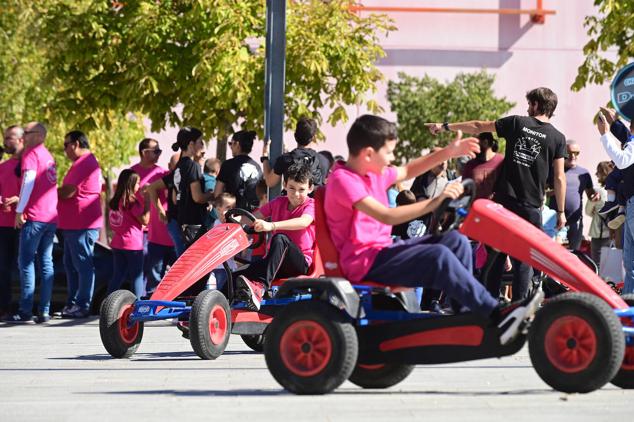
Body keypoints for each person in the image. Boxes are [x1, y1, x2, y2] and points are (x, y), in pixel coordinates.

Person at [326, 114, 542, 345]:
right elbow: (386, 215)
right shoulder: (343, 180)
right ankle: (494, 313)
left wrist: (449, 152)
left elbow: (409, 170)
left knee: (455, 241)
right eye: (388, 153)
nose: (392, 159)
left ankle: (465, 315)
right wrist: (436, 202)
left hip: (382, 251)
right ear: (368, 154)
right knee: (438, 257)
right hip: (363, 263)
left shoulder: (371, 172)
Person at [427, 87, 567, 301]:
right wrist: (561, 211)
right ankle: (521, 310)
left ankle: (488, 305)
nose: (528, 108)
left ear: (537, 104)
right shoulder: (558, 138)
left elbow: (477, 126)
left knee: (496, 253)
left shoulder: (517, 123)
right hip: (531, 206)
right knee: (524, 260)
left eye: (530, 104)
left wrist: (444, 126)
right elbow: (559, 177)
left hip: (504, 203)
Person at [233, 163, 316, 311]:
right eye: (292, 188)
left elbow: (304, 222)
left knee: (280, 239)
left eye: (301, 189)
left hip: (298, 264)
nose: (296, 194)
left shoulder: (311, 205)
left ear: (310, 188)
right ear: (284, 185)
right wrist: (233, 221)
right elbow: (252, 218)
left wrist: (272, 225)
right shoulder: (278, 202)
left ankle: (260, 288)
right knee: (236, 276)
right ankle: (211, 309)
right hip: (274, 263)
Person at [5, 122, 58, 324]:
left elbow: (28, 181)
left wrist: (19, 211)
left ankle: (25, 311)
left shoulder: (32, 154)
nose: (23, 137)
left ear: (38, 135)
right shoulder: (48, 156)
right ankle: (44, 310)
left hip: (35, 217)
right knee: (46, 263)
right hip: (51, 218)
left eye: (26, 133)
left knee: (25, 263)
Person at [57, 131, 103, 318]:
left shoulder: (84, 163)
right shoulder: (80, 164)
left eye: (65, 145)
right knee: (71, 264)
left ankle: (82, 305)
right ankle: (73, 303)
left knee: (83, 265)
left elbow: (69, 191)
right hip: (73, 224)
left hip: (81, 223)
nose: (64, 150)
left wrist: (48, 191)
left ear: (75, 144)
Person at [149, 127, 213, 249]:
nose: (202, 146)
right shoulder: (192, 166)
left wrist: (160, 211)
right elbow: (198, 197)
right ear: (191, 144)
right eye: (200, 142)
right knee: (194, 266)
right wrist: (213, 194)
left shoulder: (179, 166)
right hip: (192, 227)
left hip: (179, 224)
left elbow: (153, 188)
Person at [130, 138, 175, 296]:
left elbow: (172, 195)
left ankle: (159, 299)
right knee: (141, 268)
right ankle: (141, 300)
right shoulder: (132, 172)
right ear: (144, 152)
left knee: (157, 268)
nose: (159, 154)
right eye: (155, 151)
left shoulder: (162, 173)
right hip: (137, 227)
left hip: (159, 229)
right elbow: (126, 198)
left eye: (159, 151)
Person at [597, 109, 634, 294]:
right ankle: (629, 305)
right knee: (630, 263)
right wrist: (613, 119)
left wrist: (604, 135)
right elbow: (621, 131)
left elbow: (621, 160)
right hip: (629, 204)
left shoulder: (633, 144)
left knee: (631, 263)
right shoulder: (630, 141)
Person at [107, 169, 150, 297]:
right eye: (137, 183)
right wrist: (147, 202)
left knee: (117, 276)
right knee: (137, 276)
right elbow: (145, 220)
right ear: (130, 184)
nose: (139, 186)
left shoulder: (115, 201)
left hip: (118, 243)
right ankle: (138, 305)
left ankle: (107, 303)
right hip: (133, 245)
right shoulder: (131, 202)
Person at [548, 140, 597, 251]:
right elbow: (541, 192)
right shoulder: (553, 170)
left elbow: (590, 194)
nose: (573, 156)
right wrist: (552, 192)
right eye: (569, 152)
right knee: (552, 252)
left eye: (576, 153)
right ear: (563, 152)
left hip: (575, 222)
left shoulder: (584, 173)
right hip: (554, 221)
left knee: (574, 254)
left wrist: (595, 197)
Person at [262, 117, 330, 188]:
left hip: (291, 199)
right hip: (315, 199)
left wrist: (265, 157)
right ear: (314, 138)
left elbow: (270, 182)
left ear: (295, 136)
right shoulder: (324, 161)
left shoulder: (285, 159)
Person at [0, 126, 24, 319]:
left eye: (10, 138)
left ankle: (25, 308)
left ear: (21, 140)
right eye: (5, 138)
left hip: (25, 224)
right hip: (3, 225)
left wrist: (21, 199)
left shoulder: (31, 165)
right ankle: (5, 308)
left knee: (24, 267)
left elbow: (40, 193)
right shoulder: (3, 167)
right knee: (3, 268)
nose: (6, 141)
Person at [214, 130, 262, 211]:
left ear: (237, 144)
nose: (231, 147)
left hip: (233, 214)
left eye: (231, 143)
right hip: (253, 215)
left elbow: (217, 194)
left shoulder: (227, 165)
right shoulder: (257, 167)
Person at [461, 132, 504, 199]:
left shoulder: (502, 161)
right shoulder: (470, 165)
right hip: (475, 208)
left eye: (474, 143)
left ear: (485, 143)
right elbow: (464, 191)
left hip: (497, 208)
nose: (472, 147)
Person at [586, 161, 614, 265]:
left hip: (599, 233)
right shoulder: (616, 189)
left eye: (597, 172)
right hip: (614, 233)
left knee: (596, 265)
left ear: (602, 173)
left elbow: (588, 212)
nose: (596, 175)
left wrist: (595, 210)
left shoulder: (597, 191)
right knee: (610, 265)